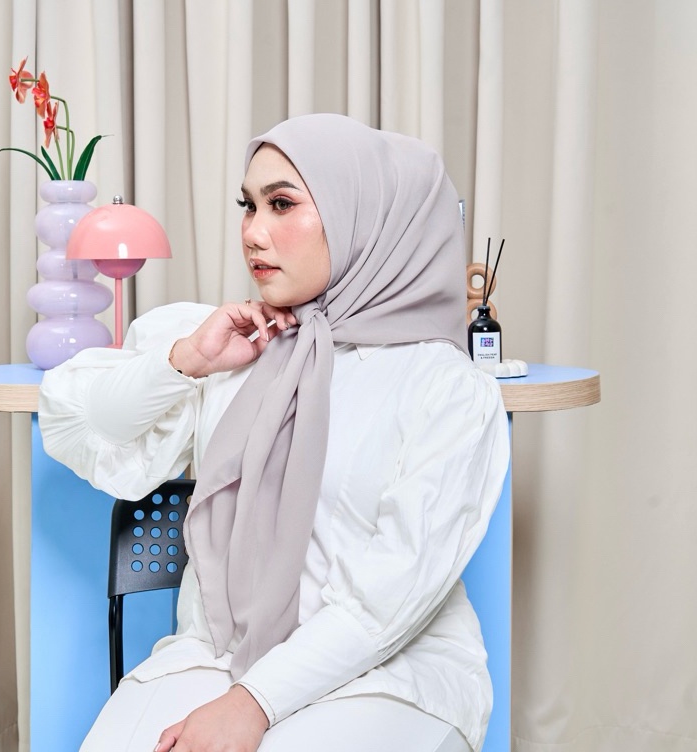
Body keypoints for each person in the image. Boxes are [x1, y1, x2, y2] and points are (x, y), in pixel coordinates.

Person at [39, 113, 510, 752]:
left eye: (282, 204)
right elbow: (78, 424)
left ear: (363, 219)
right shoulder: (237, 346)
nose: (253, 233)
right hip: (216, 655)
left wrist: (253, 703)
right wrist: (187, 360)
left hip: (392, 672)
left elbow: (388, 599)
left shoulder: (444, 388)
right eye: (249, 205)